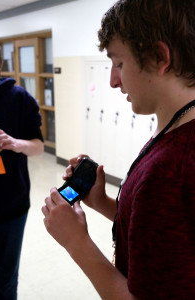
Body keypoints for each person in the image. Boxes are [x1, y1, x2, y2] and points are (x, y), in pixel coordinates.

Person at [42, 0, 195, 299]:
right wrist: (101, 202)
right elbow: (161, 238)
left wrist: (76, 242)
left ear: (159, 57)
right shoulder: (175, 132)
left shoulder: (170, 167)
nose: (113, 80)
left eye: (120, 63)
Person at [0, 42, 44, 300]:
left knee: (6, 276)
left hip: (12, 205)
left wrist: (15, 144)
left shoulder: (19, 99)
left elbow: (38, 147)